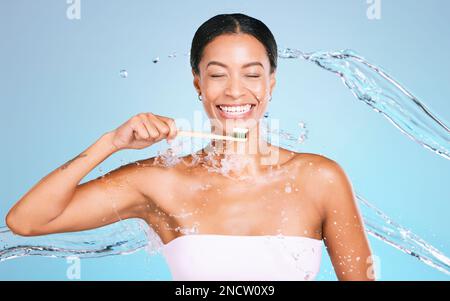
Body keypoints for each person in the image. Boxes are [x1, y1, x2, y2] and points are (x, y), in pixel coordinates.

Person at [5, 13, 374, 281]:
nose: (234, 90)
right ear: (197, 82)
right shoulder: (160, 181)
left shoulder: (320, 178)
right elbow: (27, 220)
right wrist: (110, 143)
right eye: (216, 74)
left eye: (251, 74)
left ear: (271, 83)